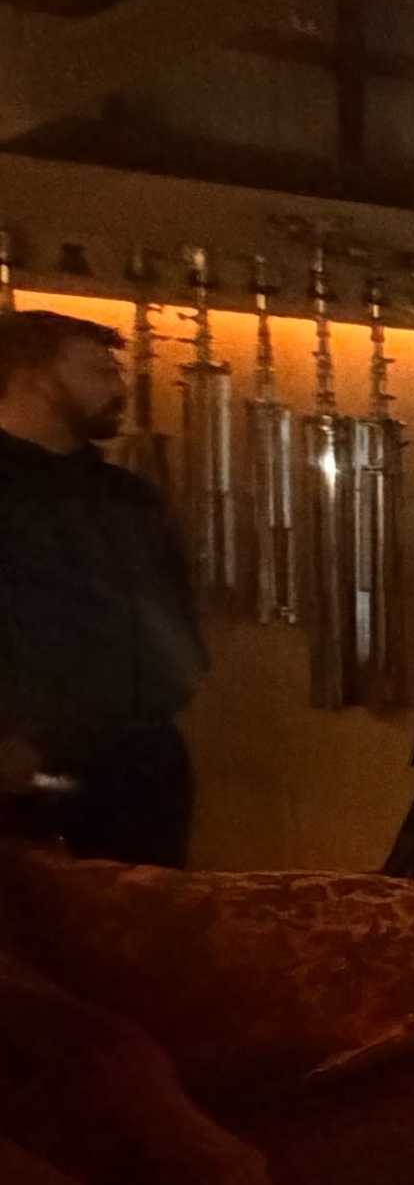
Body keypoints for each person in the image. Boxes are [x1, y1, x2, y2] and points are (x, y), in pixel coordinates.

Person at [0, 309, 206, 865]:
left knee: (146, 928)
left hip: (138, 759)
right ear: (33, 375)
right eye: (97, 370)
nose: (117, 388)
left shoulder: (127, 497)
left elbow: (168, 609)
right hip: (25, 764)